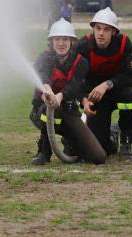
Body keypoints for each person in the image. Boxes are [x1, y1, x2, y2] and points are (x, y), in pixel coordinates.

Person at [29, 19, 107, 165]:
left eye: (65, 39)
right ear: (51, 41)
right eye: (57, 39)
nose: (61, 43)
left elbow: (74, 86)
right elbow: (43, 75)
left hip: (70, 113)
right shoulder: (44, 58)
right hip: (41, 112)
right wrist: (48, 92)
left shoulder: (81, 62)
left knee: (98, 157)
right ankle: (44, 151)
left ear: (72, 41)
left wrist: (60, 96)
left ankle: (72, 142)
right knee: (50, 110)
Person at [75, 8, 132, 160]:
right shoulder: (83, 46)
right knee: (101, 148)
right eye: (98, 28)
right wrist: (83, 100)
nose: (101, 33)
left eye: (106, 29)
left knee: (129, 95)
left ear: (114, 32)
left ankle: (126, 141)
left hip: (117, 92)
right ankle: (112, 136)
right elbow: (73, 80)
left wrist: (107, 84)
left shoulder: (123, 44)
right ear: (93, 29)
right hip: (95, 98)